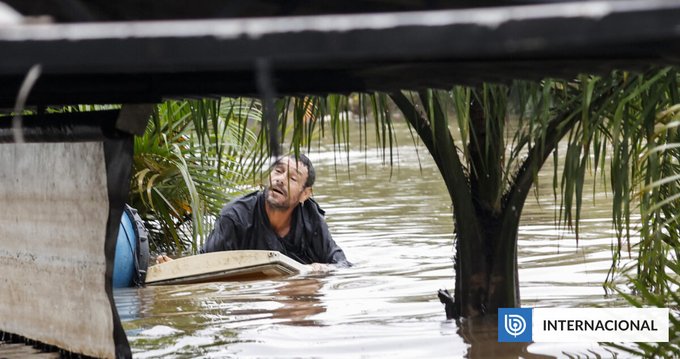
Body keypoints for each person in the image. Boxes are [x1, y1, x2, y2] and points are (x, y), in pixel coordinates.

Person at [157, 154, 350, 271]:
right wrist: (175, 267)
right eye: (278, 171)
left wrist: (322, 269)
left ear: (305, 194)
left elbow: (342, 264)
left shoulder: (312, 221)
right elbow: (205, 263)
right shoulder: (236, 217)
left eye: (292, 178)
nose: (280, 180)